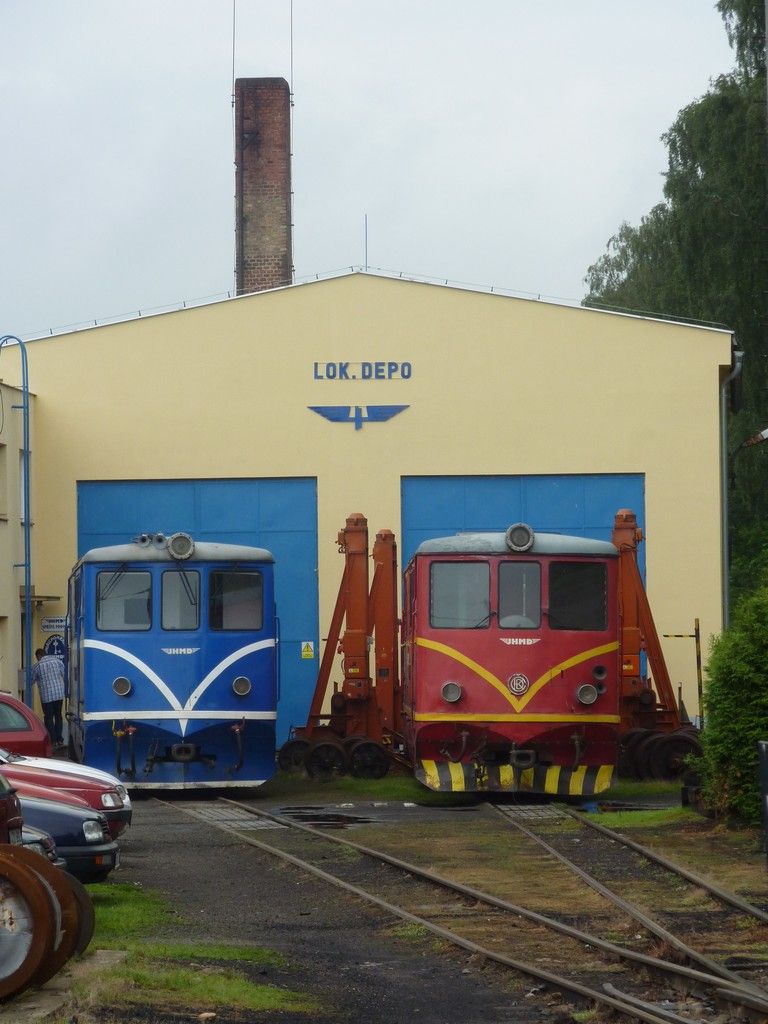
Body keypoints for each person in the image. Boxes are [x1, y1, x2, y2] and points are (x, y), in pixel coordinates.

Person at [31, 648, 65, 749]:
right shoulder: (57, 661)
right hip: (59, 694)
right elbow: (63, 674)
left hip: (47, 696)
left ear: (38, 656)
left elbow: (31, 680)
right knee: (58, 716)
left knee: (49, 718)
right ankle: (60, 739)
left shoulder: (37, 666)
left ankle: (53, 741)